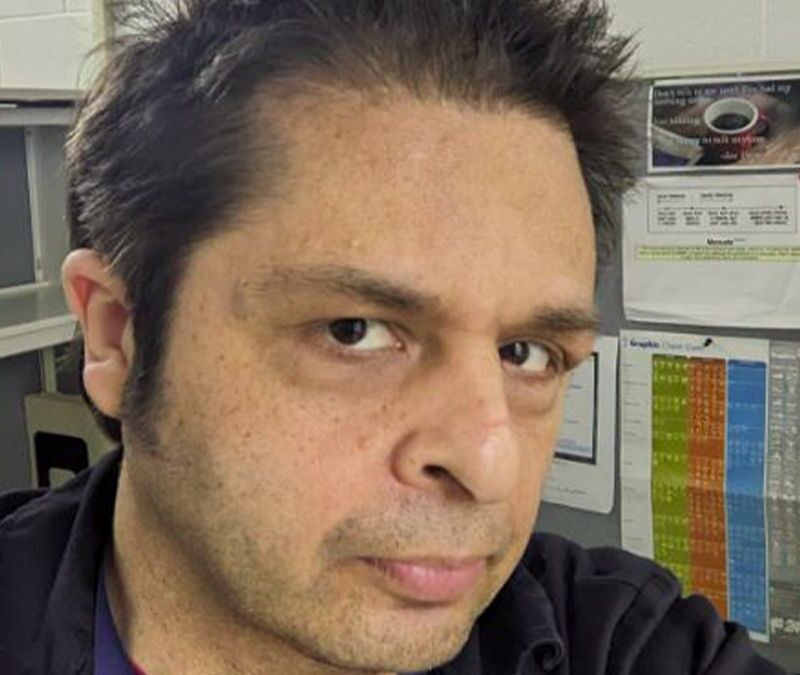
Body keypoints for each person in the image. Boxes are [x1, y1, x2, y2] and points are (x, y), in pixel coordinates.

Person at [0, 1, 787, 673]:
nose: (490, 462)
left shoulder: (629, 645)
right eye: (357, 331)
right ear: (119, 332)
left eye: (527, 353)